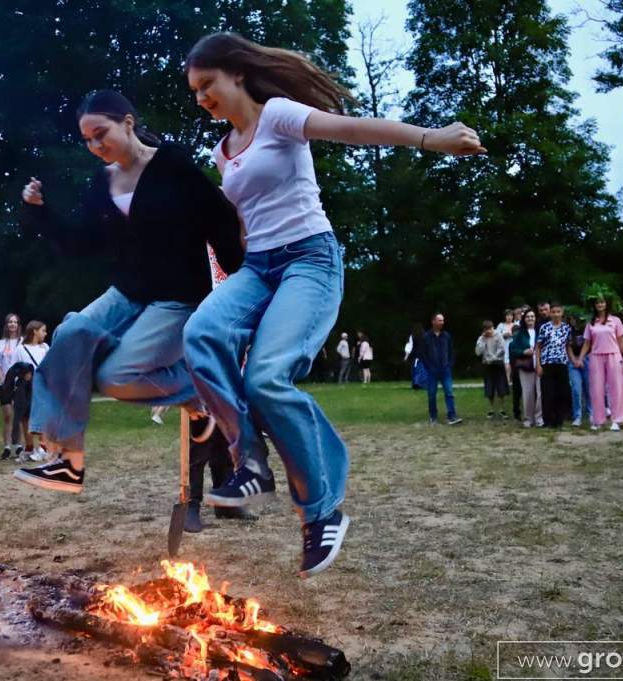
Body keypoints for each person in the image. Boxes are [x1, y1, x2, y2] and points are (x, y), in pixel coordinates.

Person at [182, 31, 484, 577]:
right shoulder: (221, 153)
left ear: (237, 74)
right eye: (195, 91)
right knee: (200, 334)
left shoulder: (277, 115)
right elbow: (240, 228)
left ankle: (322, 512)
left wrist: (430, 138)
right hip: (258, 268)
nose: (201, 97)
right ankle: (249, 459)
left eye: (207, 85)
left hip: (309, 262)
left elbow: (351, 130)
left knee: (268, 378)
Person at [15, 89, 243, 493]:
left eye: (101, 133)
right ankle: (68, 461)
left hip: (178, 298)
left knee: (117, 377)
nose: (95, 146)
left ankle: (206, 394)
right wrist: (40, 213)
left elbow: (219, 220)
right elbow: (80, 243)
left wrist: (242, 282)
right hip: (128, 293)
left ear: (128, 122)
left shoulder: (171, 165)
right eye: (87, 140)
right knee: (70, 334)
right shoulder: (102, 183)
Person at [577, 297, 623, 431]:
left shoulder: (615, 320)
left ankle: (617, 419)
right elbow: (587, 343)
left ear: (606, 304)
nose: (600, 305)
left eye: (602, 302)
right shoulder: (591, 322)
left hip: (614, 355)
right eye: (597, 303)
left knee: (616, 388)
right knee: (596, 389)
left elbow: (621, 341)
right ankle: (597, 420)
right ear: (594, 306)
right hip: (596, 356)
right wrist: (580, 358)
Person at [9, 320, 50, 460]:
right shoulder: (21, 349)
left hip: (41, 386)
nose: (45, 333)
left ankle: (43, 447)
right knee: (25, 417)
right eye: (43, 330)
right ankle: (29, 447)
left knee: (41, 417)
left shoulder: (45, 348)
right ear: (35, 331)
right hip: (24, 387)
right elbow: (14, 368)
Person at [417, 313, 464, 426]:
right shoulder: (426, 337)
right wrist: (428, 366)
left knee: (449, 392)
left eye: (443, 320)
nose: (442, 322)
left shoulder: (446, 336)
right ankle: (433, 417)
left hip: (445, 369)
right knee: (432, 394)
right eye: (440, 320)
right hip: (432, 370)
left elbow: (451, 351)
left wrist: (450, 364)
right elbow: (422, 353)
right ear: (433, 321)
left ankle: (452, 416)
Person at [535, 303, 573, 428]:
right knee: (548, 393)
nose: (556, 314)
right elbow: (538, 347)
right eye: (553, 312)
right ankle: (548, 421)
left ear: (562, 313)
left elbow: (568, 346)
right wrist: (538, 365)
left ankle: (559, 420)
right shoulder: (544, 328)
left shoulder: (567, 328)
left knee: (562, 392)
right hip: (547, 363)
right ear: (550, 313)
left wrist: (574, 360)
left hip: (561, 363)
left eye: (558, 312)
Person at [0, 313, 23, 461]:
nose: (12, 324)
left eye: (15, 322)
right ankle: (6, 446)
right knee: (7, 415)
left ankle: (18, 445)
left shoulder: (22, 342)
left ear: (18, 325)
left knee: (18, 415)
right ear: (6, 325)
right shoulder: (0, 344)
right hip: (5, 384)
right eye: (10, 322)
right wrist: (4, 381)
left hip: (20, 383)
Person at [510, 310, 542, 427]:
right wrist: (523, 351)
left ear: (535, 318)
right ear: (524, 319)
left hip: (539, 365)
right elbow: (512, 349)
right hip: (525, 366)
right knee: (527, 393)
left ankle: (539, 418)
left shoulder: (541, 331)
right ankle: (528, 419)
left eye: (532, 316)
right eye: (528, 317)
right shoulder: (520, 334)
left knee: (540, 393)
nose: (530, 318)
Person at [475, 320, 507, 418]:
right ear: (484, 330)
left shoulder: (499, 336)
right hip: (487, 365)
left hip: (497, 363)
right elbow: (478, 352)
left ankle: (502, 409)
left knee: (501, 387)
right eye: (487, 330)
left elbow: (502, 350)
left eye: (490, 329)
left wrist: (493, 358)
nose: (489, 331)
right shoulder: (481, 338)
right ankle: (491, 409)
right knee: (489, 388)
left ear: (493, 328)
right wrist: (483, 341)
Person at [566, 315, 592, 427]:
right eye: (572, 318)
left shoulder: (588, 328)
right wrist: (574, 360)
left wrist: (581, 358)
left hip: (587, 359)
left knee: (589, 387)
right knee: (576, 388)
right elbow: (568, 347)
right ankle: (577, 416)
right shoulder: (567, 330)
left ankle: (591, 412)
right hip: (573, 361)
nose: (575, 320)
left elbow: (589, 344)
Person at [404, 323, 428, 389]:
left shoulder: (412, 336)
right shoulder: (426, 336)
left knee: (416, 370)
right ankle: (421, 384)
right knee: (423, 371)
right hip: (424, 357)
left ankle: (416, 383)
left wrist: (406, 356)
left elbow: (409, 347)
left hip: (416, 356)